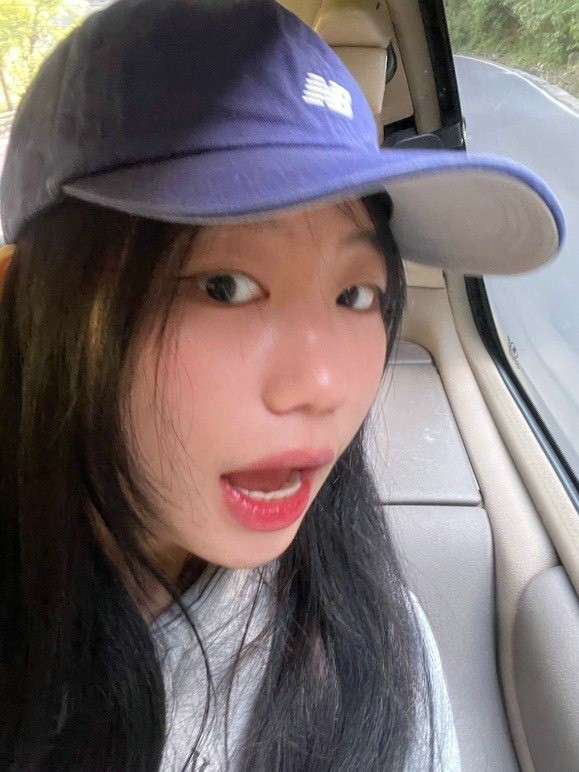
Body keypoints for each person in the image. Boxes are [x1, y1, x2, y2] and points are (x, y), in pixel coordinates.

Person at [0, 0, 564, 770]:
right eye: (224, 287)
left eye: (356, 294)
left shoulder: (371, 640)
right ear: (40, 306)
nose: (323, 387)